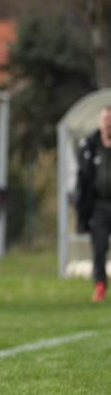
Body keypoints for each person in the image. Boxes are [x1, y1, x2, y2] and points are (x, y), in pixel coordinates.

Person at [74, 105, 111, 302]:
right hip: (99, 206)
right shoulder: (89, 145)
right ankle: (100, 285)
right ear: (100, 122)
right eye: (105, 120)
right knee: (99, 247)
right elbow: (83, 178)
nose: (108, 124)